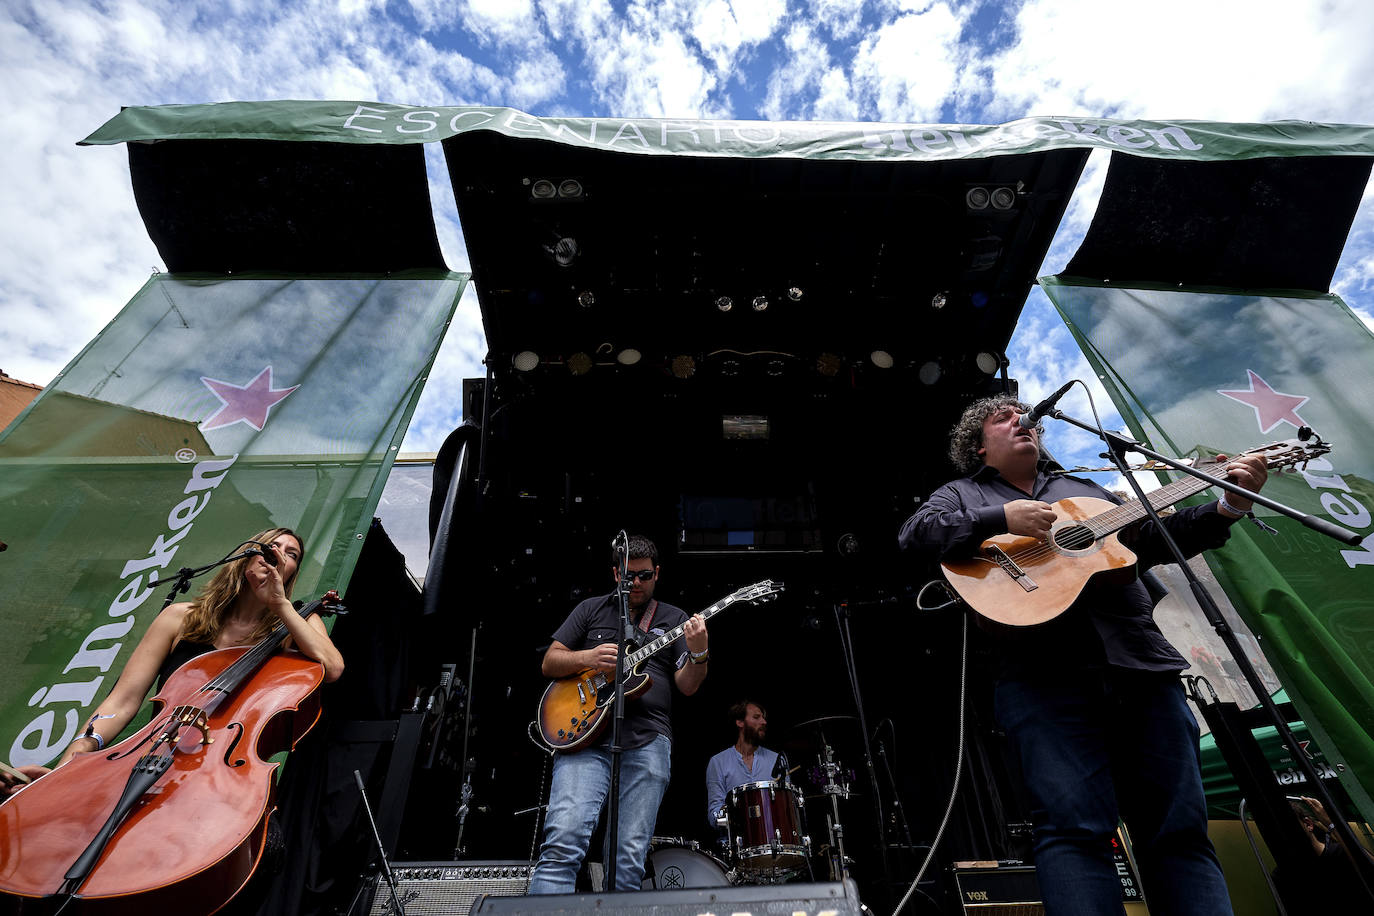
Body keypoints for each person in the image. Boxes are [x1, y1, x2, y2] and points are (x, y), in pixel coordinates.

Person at [899, 395, 1268, 916]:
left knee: (1180, 832)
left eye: (1021, 414)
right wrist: (999, 516)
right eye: (1001, 418)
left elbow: (1157, 540)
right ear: (980, 445)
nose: (1019, 421)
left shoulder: (1086, 490)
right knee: (1072, 833)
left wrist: (1229, 504)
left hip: (1142, 668)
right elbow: (915, 536)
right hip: (1040, 677)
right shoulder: (961, 492)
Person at [2, 527, 344, 794]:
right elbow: (122, 702)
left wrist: (280, 605)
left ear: (292, 571)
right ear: (246, 557)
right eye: (271, 547)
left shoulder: (295, 621)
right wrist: (70, 765)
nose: (279, 555)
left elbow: (332, 668)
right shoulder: (180, 618)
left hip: (220, 773)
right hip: (149, 757)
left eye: (292, 554)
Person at [528, 535, 708, 894]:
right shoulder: (591, 609)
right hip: (585, 738)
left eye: (645, 576)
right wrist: (587, 658)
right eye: (630, 577)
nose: (637, 583)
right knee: (564, 839)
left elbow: (688, 686)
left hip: (647, 740)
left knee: (628, 857)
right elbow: (550, 661)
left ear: (657, 573)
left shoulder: (673, 618)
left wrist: (699, 654)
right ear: (616, 574)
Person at [705, 700, 778, 828]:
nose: (764, 722)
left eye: (763, 718)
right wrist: (736, 812)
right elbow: (714, 815)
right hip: (737, 842)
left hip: (773, 840)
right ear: (740, 722)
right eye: (756, 717)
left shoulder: (776, 759)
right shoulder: (718, 762)